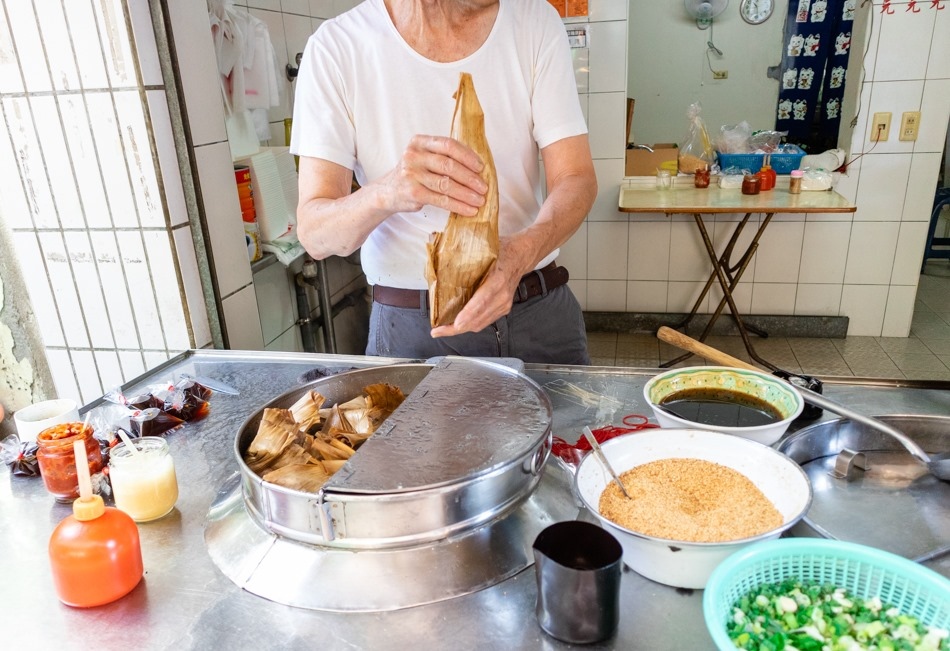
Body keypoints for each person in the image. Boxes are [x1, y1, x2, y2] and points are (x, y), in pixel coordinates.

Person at [290, 0, 596, 364]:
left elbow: (576, 178)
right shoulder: (336, 48)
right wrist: (388, 191)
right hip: (414, 332)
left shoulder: (534, 21)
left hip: (536, 305)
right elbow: (315, 233)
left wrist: (519, 255)